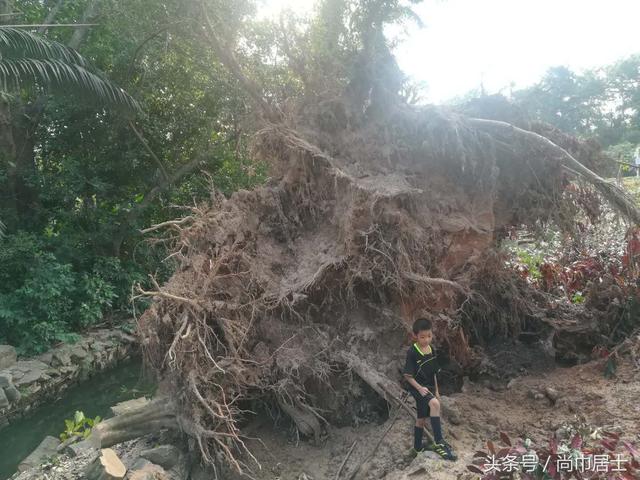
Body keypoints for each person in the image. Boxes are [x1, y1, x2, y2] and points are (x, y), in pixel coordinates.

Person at [403, 317, 457, 460]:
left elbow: (433, 372)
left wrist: (437, 391)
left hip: (429, 387)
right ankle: (439, 442)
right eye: (422, 337)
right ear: (415, 336)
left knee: (421, 419)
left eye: (429, 336)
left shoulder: (431, 349)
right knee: (435, 404)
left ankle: (417, 448)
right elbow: (408, 376)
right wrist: (420, 389)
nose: (426, 340)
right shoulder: (412, 352)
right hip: (417, 388)